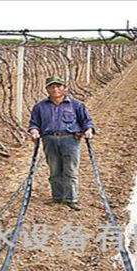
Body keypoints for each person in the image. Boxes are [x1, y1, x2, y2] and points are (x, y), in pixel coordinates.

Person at [28, 74, 95, 211]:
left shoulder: (77, 105)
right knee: (54, 169)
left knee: (70, 169)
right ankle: (57, 197)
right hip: (49, 140)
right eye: (51, 87)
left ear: (65, 87)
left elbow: (86, 121)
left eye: (58, 86)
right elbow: (34, 123)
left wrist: (88, 130)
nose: (55, 89)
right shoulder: (40, 106)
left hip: (70, 140)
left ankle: (71, 199)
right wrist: (34, 131)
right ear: (47, 89)